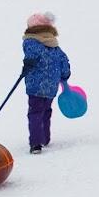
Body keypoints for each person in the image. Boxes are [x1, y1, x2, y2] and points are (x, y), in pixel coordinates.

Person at [22, 11, 72, 153]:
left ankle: (36, 144)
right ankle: (45, 138)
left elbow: (31, 57)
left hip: (35, 86)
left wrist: (27, 66)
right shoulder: (54, 44)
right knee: (46, 111)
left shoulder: (30, 41)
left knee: (35, 113)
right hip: (51, 86)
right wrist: (65, 75)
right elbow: (64, 61)